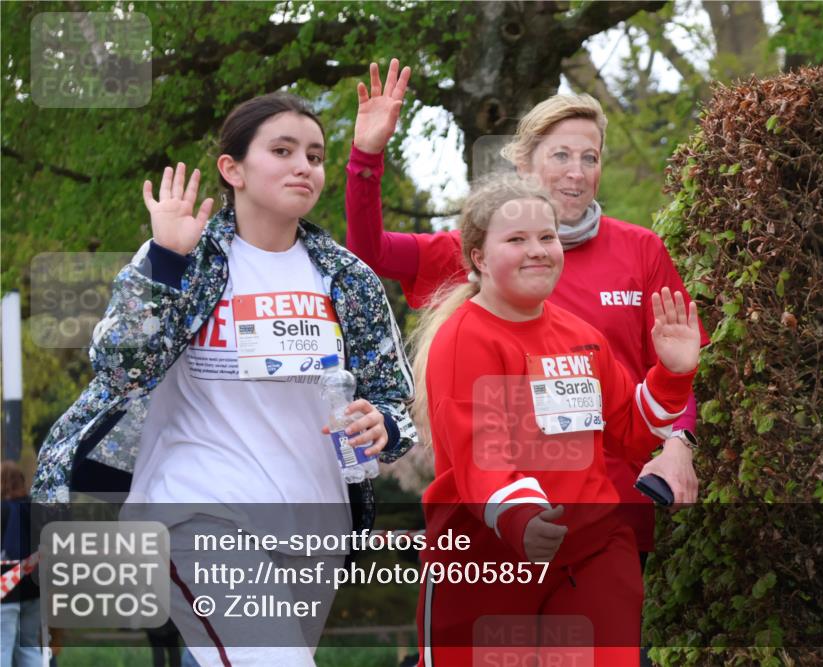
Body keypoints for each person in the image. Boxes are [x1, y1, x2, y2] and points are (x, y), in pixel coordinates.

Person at [32, 92, 417, 667]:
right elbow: (119, 366)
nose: (302, 166)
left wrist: (382, 422)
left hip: (315, 524)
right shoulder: (184, 256)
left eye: (313, 155)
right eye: (282, 150)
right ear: (232, 169)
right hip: (197, 509)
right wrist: (166, 262)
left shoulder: (347, 277)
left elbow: (394, 397)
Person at [345, 62, 709, 565]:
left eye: (590, 157)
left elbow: (677, 364)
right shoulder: (482, 252)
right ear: (523, 163)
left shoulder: (641, 249)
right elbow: (369, 256)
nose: (577, 172)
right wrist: (367, 157)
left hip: (614, 511)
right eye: (560, 155)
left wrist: (680, 443)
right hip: (503, 516)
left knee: (611, 640)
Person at [409, 176, 701, 666]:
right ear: (479, 258)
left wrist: (671, 373)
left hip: (592, 551)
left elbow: (630, 433)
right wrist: (523, 519)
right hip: (489, 559)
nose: (538, 251)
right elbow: (481, 453)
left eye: (547, 237)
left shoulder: (580, 335)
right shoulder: (465, 339)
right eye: (517, 239)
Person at [1, 461, 43, 667]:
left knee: (2, 646)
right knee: (29, 646)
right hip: (35, 588)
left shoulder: (3, 511)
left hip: (5, 588)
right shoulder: (36, 508)